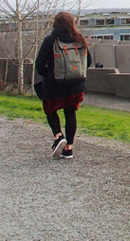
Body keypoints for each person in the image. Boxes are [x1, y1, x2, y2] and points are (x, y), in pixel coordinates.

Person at [34, 11, 92, 160]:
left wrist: (49, 74)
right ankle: (69, 149)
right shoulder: (79, 39)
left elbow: (39, 65)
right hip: (76, 86)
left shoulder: (51, 40)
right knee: (70, 112)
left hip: (55, 85)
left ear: (56, 23)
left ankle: (59, 136)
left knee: (50, 109)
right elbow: (88, 61)